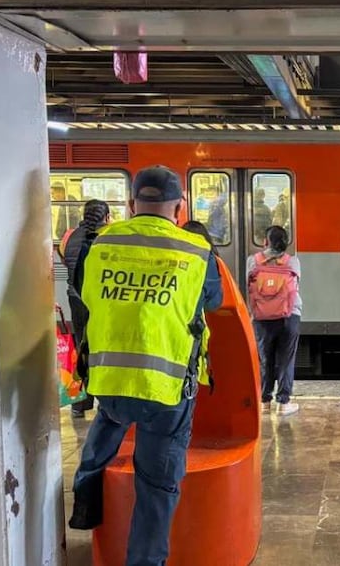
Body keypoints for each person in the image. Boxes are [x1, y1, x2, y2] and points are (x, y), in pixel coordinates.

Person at [68, 166, 223, 566]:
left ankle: (85, 494)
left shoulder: (98, 245)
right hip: (166, 390)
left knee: (110, 420)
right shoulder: (195, 251)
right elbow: (211, 302)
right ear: (178, 207)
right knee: (155, 487)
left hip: (108, 380)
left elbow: (84, 293)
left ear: (133, 204)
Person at [247, 225, 302, 416]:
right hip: (289, 316)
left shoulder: (252, 262)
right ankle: (283, 403)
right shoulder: (293, 262)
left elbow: (248, 284)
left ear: (265, 241)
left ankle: (264, 401)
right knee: (286, 359)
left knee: (265, 358)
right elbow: (296, 287)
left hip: (261, 317)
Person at [63, 200, 111, 418]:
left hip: (76, 301)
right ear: (106, 216)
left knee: (82, 348)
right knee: (103, 350)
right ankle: (104, 400)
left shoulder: (69, 237)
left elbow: (66, 261)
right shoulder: (109, 238)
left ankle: (80, 404)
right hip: (100, 303)